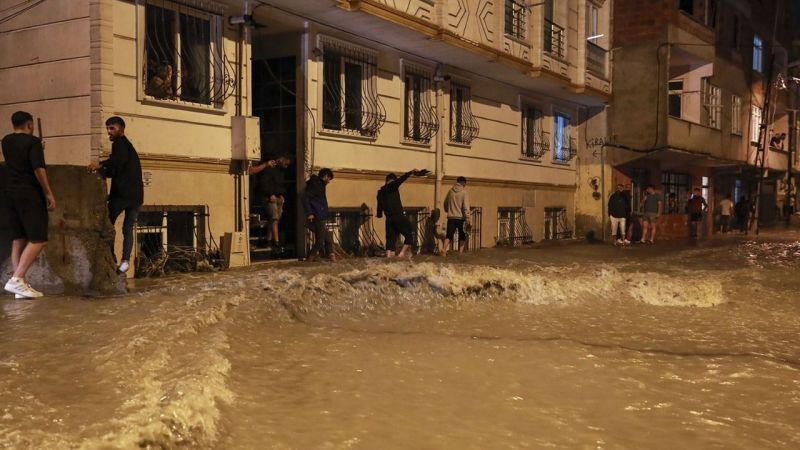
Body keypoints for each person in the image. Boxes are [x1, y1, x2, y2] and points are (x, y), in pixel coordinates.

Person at [2, 111, 57, 299]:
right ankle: (17, 279)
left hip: (10, 194)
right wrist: (48, 192)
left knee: (19, 238)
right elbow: (38, 168)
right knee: (39, 238)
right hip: (29, 193)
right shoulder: (33, 143)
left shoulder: (6, 141)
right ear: (30, 125)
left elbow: (19, 157)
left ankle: (20, 284)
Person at [88, 116, 144, 274]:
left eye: (112, 128)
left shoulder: (120, 144)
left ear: (121, 129)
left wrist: (99, 165)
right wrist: (106, 169)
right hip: (136, 196)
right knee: (128, 228)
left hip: (122, 195)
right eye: (108, 128)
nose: (109, 132)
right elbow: (118, 167)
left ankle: (109, 255)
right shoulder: (128, 147)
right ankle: (125, 260)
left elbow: (117, 161)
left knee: (107, 224)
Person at [377, 169, 427, 257]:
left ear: (386, 180)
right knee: (410, 233)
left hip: (389, 219)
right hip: (398, 216)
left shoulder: (380, 192)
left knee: (390, 239)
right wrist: (410, 173)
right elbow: (401, 180)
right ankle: (401, 254)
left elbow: (379, 205)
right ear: (392, 180)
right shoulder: (392, 186)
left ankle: (388, 257)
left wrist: (379, 214)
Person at [253, 154, 292, 251]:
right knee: (274, 218)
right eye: (285, 164)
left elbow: (280, 184)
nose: (286, 166)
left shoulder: (281, 172)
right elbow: (263, 182)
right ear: (281, 160)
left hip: (278, 196)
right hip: (269, 197)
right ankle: (276, 241)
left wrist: (282, 194)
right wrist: (270, 194)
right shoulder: (269, 168)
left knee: (275, 219)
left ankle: (268, 240)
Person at [302, 168, 335, 262]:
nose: (329, 181)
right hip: (318, 215)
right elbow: (305, 198)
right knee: (320, 240)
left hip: (321, 214)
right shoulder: (316, 185)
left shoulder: (320, 185)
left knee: (328, 238)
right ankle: (311, 257)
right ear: (325, 176)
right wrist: (310, 213)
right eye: (329, 178)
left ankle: (332, 256)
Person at [442, 176, 470, 257]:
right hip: (461, 218)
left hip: (451, 217)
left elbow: (445, 203)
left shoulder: (450, 191)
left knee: (449, 235)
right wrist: (467, 218)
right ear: (464, 183)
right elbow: (466, 206)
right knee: (462, 236)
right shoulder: (464, 192)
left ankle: (444, 250)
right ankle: (460, 253)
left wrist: (449, 210)